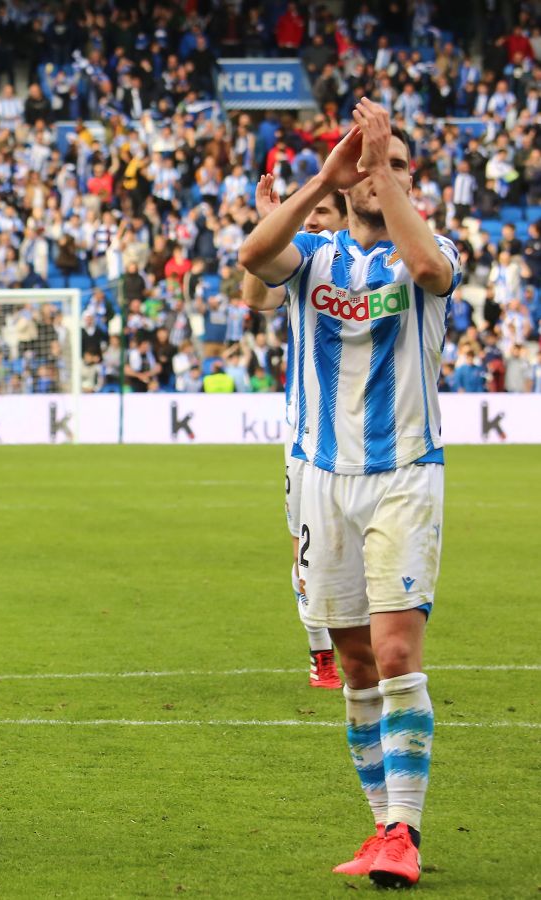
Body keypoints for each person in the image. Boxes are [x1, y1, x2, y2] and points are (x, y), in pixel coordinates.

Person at [241, 99, 459, 890]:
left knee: (397, 650)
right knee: (355, 660)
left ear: (408, 181)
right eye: (371, 161)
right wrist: (324, 177)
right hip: (319, 480)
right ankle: (378, 827)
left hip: (402, 472)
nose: (378, 170)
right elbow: (252, 254)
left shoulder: (431, 253)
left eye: (395, 163)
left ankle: (405, 829)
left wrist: (380, 168)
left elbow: (430, 269)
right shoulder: (314, 256)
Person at [242, 173, 349, 691]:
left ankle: (367, 647)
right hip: (306, 434)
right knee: (305, 551)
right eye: (306, 215)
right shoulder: (301, 262)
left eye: (323, 213)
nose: (312, 222)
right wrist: (270, 222)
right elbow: (255, 297)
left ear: (348, 218)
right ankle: (321, 653)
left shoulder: (364, 268)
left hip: (368, 436)